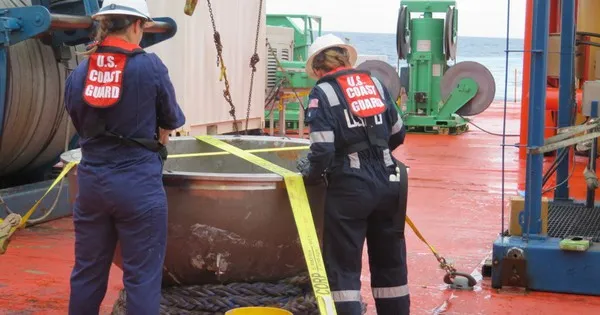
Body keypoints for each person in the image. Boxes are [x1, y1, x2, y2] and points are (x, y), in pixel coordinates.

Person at [63, 0, 186, 314]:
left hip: (91, 184)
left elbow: (79, 119)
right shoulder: (150, 66)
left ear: (105, 24)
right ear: (136, 25)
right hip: (138, 185)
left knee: (87, 272)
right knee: (141, 277)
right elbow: (171, 119)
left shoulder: (80, 71)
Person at [296, 34, 409, 315]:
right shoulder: (376, 85)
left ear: (319, 70)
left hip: (350, 188)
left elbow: (321, 150)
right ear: (346, 59)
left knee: (344, 267)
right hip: (390, 185)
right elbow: (398, 134)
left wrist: (310, 178)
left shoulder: (323, 93)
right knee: (390, 264)